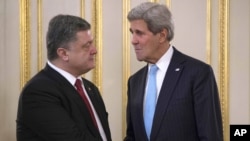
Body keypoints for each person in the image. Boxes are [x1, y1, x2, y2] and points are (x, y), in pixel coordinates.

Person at [124, 2, 223, 141]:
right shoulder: (134, 81)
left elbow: (210, 136)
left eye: (139, 33)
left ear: (162, 35)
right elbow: (132, 136)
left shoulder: (198, 73)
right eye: (132, 33)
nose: (133, 41)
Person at [16, 14, 112, 141]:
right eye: (86, 45)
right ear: (64, 53)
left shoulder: (89, 88)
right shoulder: (39, 92)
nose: (94, 50)